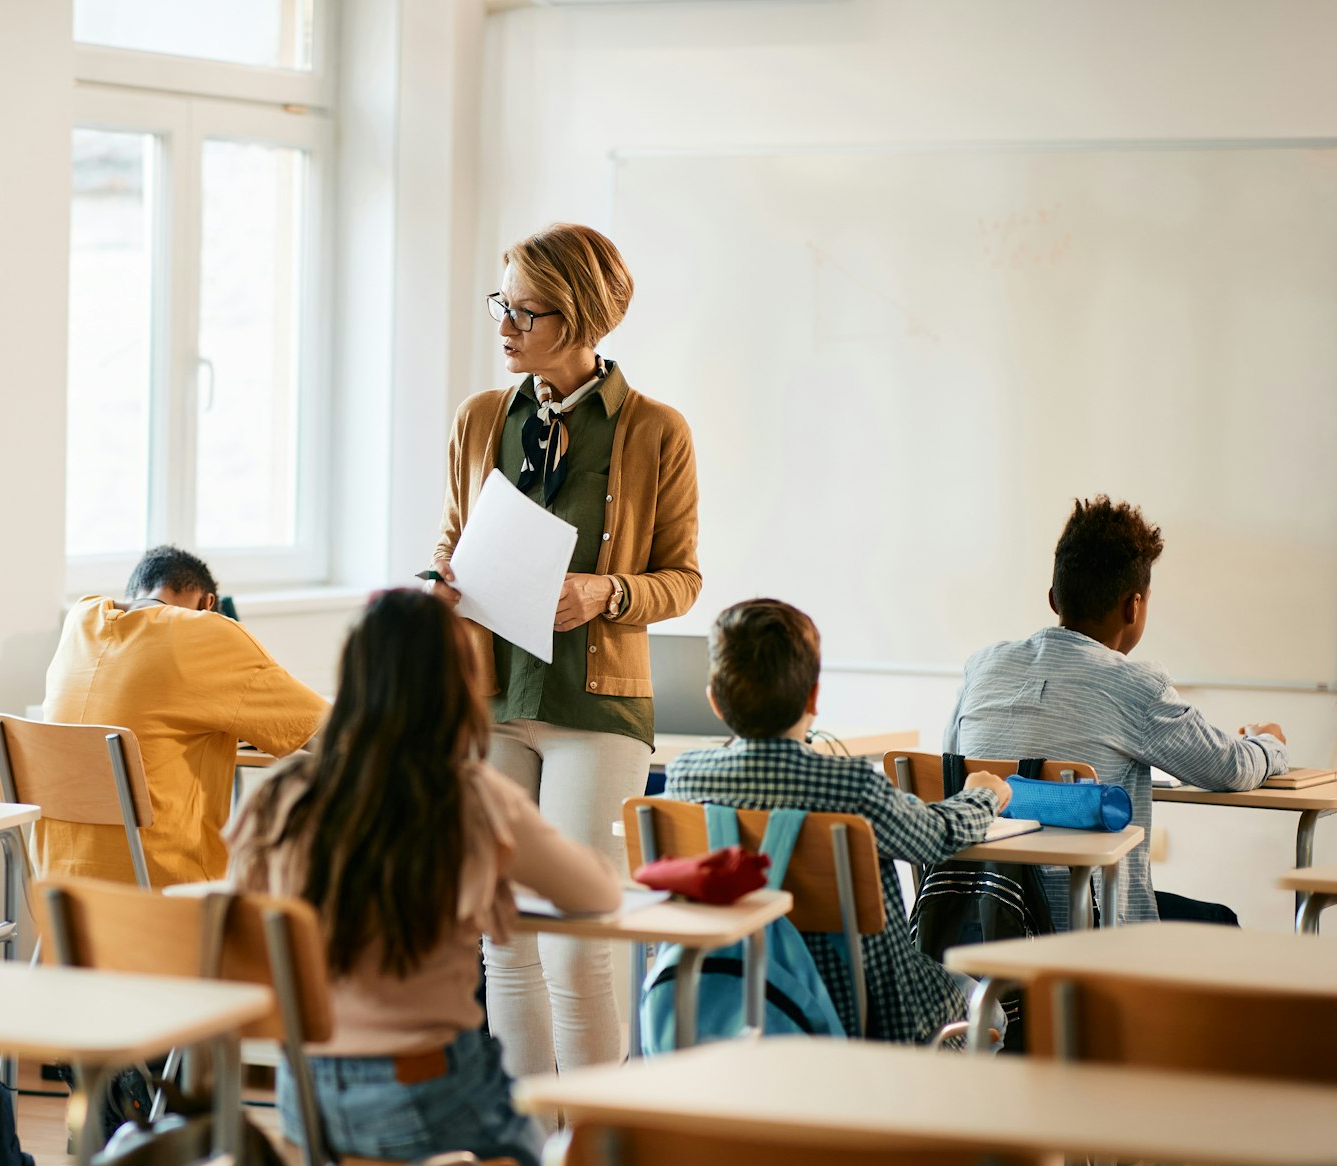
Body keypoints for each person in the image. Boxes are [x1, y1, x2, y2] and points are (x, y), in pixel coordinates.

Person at [229, 589, 622, 1166]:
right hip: (432, 1098)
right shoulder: (468, 798)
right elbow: (596, 890)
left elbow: (244, 928)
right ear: (457, 686)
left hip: (307, 1103)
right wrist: (488, 871)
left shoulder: (280, 799)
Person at [431, 222, 701, 1077]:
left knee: (577, 944)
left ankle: (594, 1151)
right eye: (500, 304)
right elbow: (451, 537)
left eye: (525, 311)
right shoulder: (479, 420)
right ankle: (524, 1151)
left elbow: (683, 578)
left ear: (580, 316)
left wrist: (606, 592)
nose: (504, 325)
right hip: (492, 698)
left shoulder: (657, 431)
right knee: (504, 937)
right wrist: (442, 577)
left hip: (597, 705)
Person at [664, 599, 1011, 1044]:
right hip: (866, 1010)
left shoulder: (684, 780)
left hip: (730, 1004)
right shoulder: (850, 787)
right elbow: (936, 836)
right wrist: (983, 794)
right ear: (813, 696)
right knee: (989, 1007)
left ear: (714, 700)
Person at [945, 496, 1289, 930]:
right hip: (1079, 932)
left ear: (1054, 598)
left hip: (973, 924)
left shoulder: (982, 667)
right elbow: (1231, 767)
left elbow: (951, 769)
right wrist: (1269, 741)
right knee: (1220, 923)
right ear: (1134, 606)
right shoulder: (1136, 686)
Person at [39, 545, 325, 886]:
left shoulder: (81, 619)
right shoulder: (205, 630)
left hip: (60, 899)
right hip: (165, 893)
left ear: (135, 594)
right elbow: (333, 732)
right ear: (207, 604)